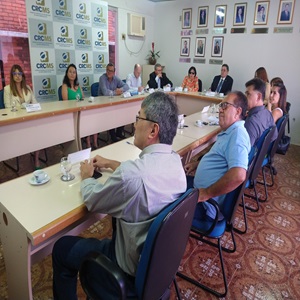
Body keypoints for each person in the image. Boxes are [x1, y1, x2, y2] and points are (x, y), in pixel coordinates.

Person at [52, 91, 187, 300]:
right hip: (153, 268)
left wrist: (87, 177)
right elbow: (141, 174)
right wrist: (111, 164)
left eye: (138, 118)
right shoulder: (175, 162)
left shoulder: (131, 176)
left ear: (153, 129)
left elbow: (92, 200)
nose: (134, 125)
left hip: (123, 272)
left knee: (61, 248)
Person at [184, 91, 250, 220]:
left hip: (205, 206)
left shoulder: (238, 135)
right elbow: (221, 158)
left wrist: (206, 194)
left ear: (238, 112)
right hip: (200, 193)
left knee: (164, 196)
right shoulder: (230, 131)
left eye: (225, 106)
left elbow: (239, 175)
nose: (220, 109)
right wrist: (197, 164)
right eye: (220, 105)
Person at [4, 64, 41, 169]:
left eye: (19, 73)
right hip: (17, 121)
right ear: (12, 76)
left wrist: (30, 107)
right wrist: (23, 109)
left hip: (29, 118)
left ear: (22, 75)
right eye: (14, 74)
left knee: (38, 131)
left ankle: (36, 158)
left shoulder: (27, 88)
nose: (17, 76)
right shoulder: (7, 89)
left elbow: (35, 103)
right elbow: (8, 108)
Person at [62, 64, 98, 149]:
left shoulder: (78, 86)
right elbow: (65, 102)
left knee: (92, 119)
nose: (72, 74)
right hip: (71, 114)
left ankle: (95, 142)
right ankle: (88, 143)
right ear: (67, 73)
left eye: (74, 72)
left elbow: (83, 99)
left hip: (81, 111)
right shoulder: (64, 86)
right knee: (86, 122)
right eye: (70, 72)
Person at [98, 63, 130, 142]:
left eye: (111, 71)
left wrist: (121, 90)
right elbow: (105, 92)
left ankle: (118, 132)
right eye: (108, 70)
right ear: (106, 70)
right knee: (111, 114)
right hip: (102, 105)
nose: (109, 72)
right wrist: (116, 92)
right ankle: (113, 136)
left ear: (114, 72)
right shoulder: (102, 78)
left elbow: (126, 86)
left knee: (123, 111)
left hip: (112, 103)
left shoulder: (116, 78)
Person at [244, 78, 277, 146]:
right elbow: (275, 135)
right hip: (261, 155)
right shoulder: (267, 113)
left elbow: (243, 153)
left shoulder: (251, 122)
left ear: (258, 97)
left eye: (248, 94)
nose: (245, 98)